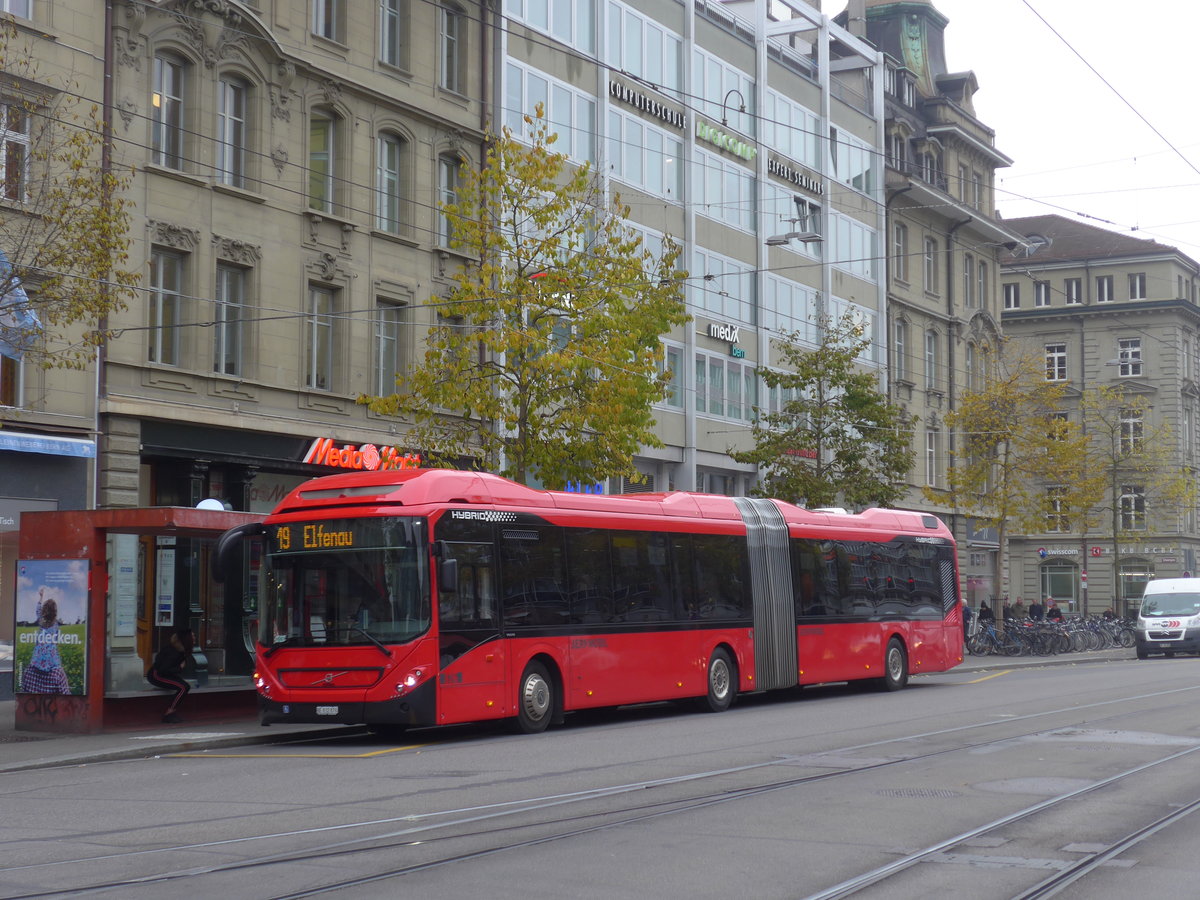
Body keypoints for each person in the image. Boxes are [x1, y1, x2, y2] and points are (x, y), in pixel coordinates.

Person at [21, 591, 71, 694]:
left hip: (37, 659)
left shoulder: (41, 621)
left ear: (44, 611)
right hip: (51, 659)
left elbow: (37, 610)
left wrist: (40, 597)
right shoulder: (56, 624)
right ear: (55, 612)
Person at [147, 628, 195, 724]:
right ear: (186, 639)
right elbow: (163, 669)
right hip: (157, 675)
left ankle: (171, 711)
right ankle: (169, 712)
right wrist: (179, 668)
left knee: (184, 686)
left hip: (166, 674)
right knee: (183, 687)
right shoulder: (173, 652)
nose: (194, 638)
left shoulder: (181, 650)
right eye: (192, 636)